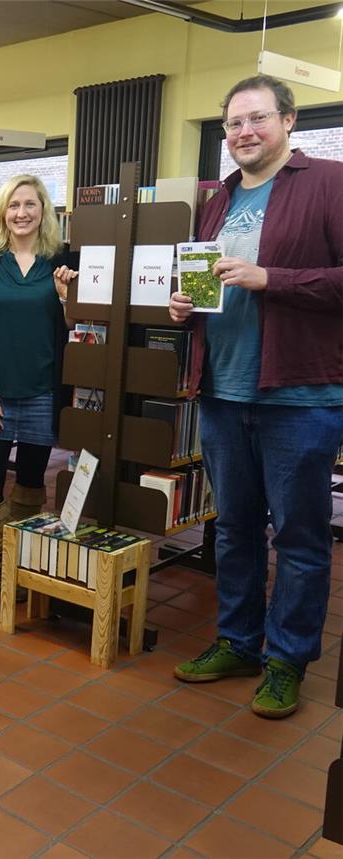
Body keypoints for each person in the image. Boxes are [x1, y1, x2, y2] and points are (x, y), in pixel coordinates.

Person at [168, 75, 343, 719]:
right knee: (235, 527)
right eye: (233, 122)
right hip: (222, 390)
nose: (244, 131)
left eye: (258, 118)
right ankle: (238, 642)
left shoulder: (330, 183)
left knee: (298, 537)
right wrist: (184, 308)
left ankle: (286, 659)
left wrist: (273, 278)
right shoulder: (216, 201)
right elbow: (209, 281)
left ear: (289, 121)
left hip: (300, 393)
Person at [0, 174, 77, 619]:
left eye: (30, 204)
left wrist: (68, 300)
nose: (22, 213)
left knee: (30, 485)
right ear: (2, 213)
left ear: (43, 210)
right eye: (13, 205)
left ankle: (23, 570)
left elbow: (76, 333)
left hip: (43, 392)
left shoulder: (61, 262)